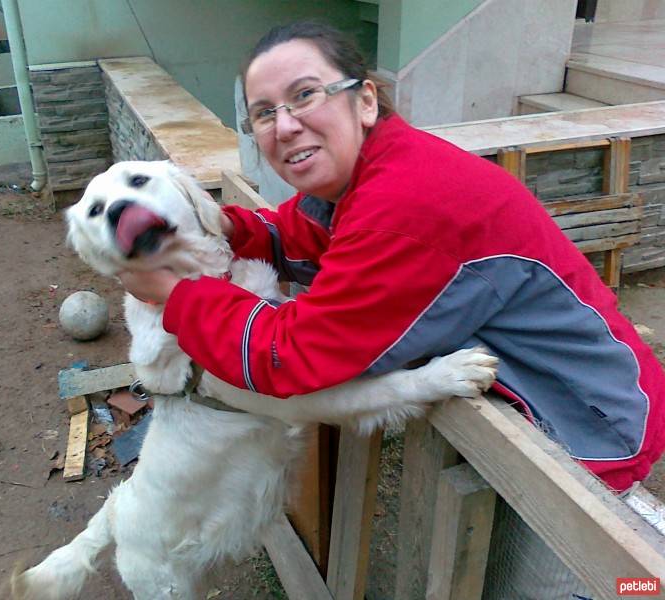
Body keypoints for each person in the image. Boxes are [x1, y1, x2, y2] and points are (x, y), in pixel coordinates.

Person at [119, 21, 665, 497]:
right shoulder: (369, 173)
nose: (284, 125)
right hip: (550, 397)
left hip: (592, 425)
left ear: (365, 100)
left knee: (591, 579)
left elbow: (290, 354)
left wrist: (176, 295)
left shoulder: (401, 205)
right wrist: (213, 228)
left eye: (305, 95)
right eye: (263, 113)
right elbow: (293, 234)